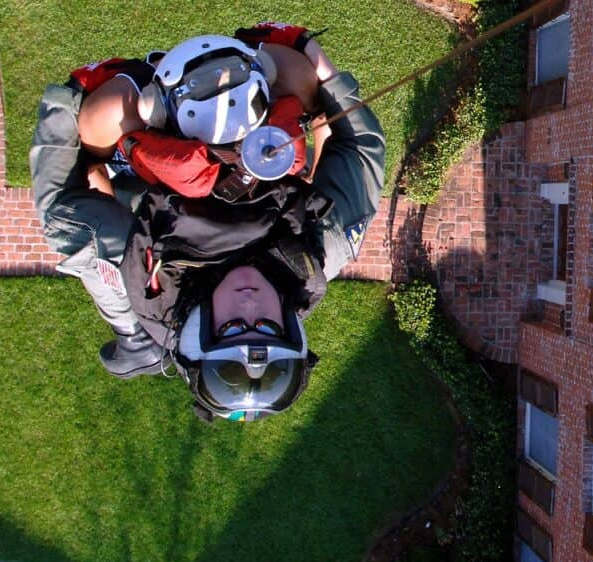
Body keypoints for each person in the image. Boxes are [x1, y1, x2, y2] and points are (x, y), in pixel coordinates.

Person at [30, 25, 384, 422]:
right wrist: (310, 52)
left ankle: (133, 340)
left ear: (200, 328)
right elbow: (361, 147)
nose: (250, 303)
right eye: (267, 324)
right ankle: (138, 345)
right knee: (296, 73)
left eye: (234, 325)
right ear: (289, 324)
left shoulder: (145, 278)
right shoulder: (323, 251)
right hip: (260, 151)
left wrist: (72, 96)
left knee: (107, 113)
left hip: (152, 178)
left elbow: (60, 209)